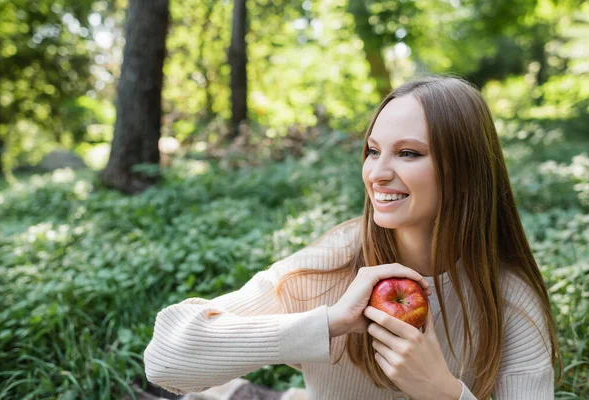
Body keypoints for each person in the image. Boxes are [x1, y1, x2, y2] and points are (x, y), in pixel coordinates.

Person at [143, 76, 561, 400]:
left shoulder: (507, 296)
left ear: (465, 170)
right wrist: (328, 323)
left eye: (409, 153)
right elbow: (164, 359)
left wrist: (443, 392)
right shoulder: (330, 267)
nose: (377, 172)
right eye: (373, 151)